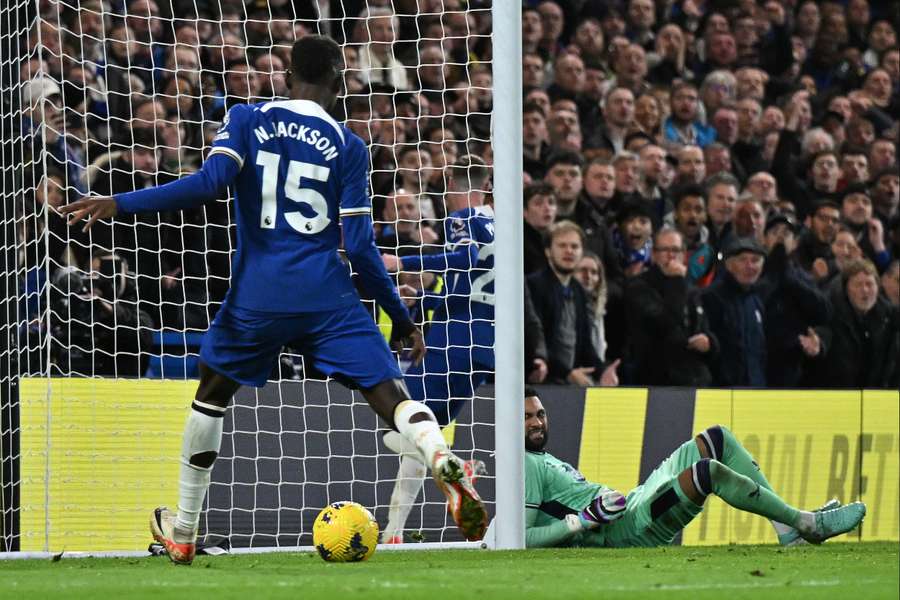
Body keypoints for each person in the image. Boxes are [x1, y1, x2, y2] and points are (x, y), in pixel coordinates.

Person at [61, 36, 488, 564]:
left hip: (259, 293)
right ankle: (440, 455)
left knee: (211, 396)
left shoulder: (246, 118)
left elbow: (208, 184)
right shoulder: (350, 146)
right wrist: (400, 319)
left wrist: (119, 202)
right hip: (328, 294)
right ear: (339, 85)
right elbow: (358, 246)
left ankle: (185, 530)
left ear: (286, 77)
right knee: (390, 395)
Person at [523, 387, 866, 548]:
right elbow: (520, 539)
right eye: (526, 417)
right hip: (625, 532)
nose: (537, 422)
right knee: (707, 473)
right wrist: (579, 522)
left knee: (718, 438)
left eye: (540, 413)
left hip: (635, 501)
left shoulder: (540, 458)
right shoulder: (523, 464)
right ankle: (807, 524)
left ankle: (787, 529)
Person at [378, 155, 495, 543]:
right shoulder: (502, 224)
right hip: (490, 341)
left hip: (454, 340)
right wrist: (424, 299)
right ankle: (394, 533)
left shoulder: (465, 218)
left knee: (402, 424)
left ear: (451, 185)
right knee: (424, 436)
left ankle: (458, 467)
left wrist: (400, 260)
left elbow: (463, 259)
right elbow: (473, 285)